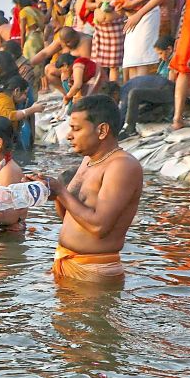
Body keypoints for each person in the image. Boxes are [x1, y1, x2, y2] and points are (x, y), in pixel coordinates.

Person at [37, 95, 143, 281]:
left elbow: (99, 227)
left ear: (102, 130)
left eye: (76, 129)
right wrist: (50, 191)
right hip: (67, 262)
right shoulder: (89, 159)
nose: (69, 135)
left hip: (94, 273)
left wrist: (61, 191)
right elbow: (70, 217)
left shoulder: (122, 166)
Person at [87, 0, 126, 81]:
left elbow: (126, 5)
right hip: (100, 28)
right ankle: (101, 89)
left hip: (116, 27)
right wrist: (97, 5)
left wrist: (113, 6)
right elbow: (88, 4)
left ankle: (112, 90)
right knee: (98, 64)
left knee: (114, 65)